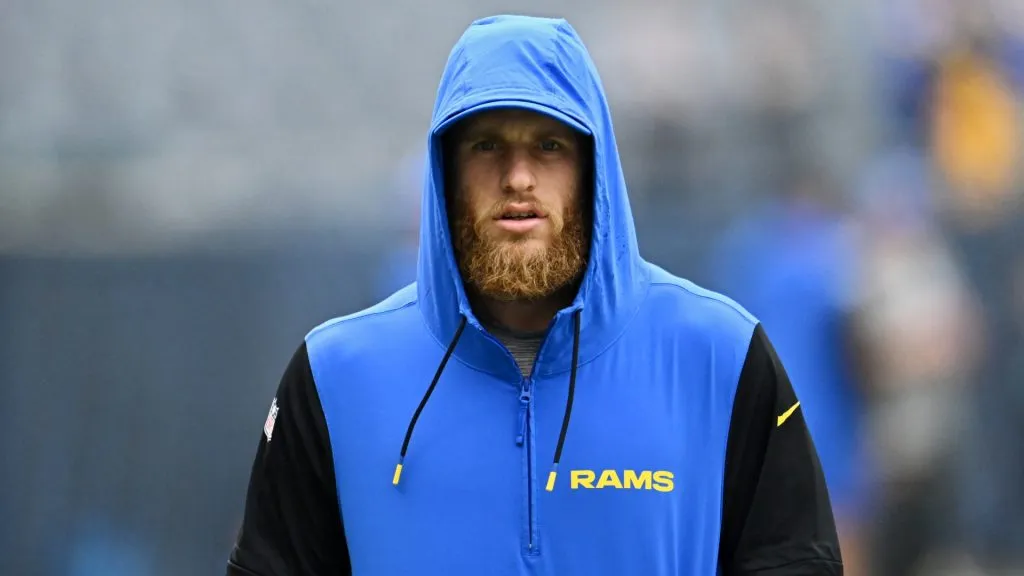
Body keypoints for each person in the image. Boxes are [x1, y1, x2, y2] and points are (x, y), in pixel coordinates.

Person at [227, 15, 842, 575]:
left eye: (549, 145)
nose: (518, 177)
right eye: (486, 144)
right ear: (444, 168)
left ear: (592, 167)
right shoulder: (335, 376)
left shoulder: (721, 356)